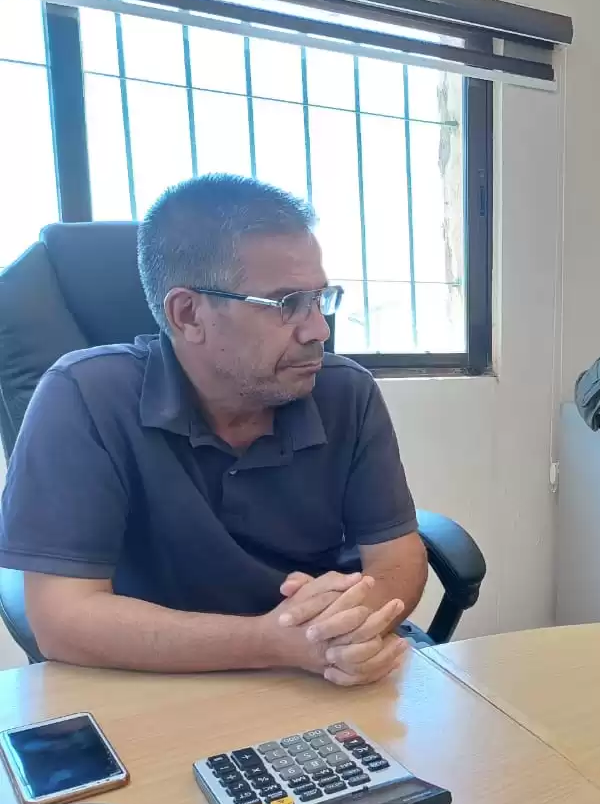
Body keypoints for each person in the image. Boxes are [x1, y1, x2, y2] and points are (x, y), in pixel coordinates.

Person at [0, 174, 427, 685]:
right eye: (287, 303)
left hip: (321, 673)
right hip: (159, 681)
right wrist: (273, 640)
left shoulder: (346, 393)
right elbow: (62, 619)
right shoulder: (83, 396)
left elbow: (398, 556)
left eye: (320, 298)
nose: (319, 328)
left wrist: (347, 625)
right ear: (188, 314)